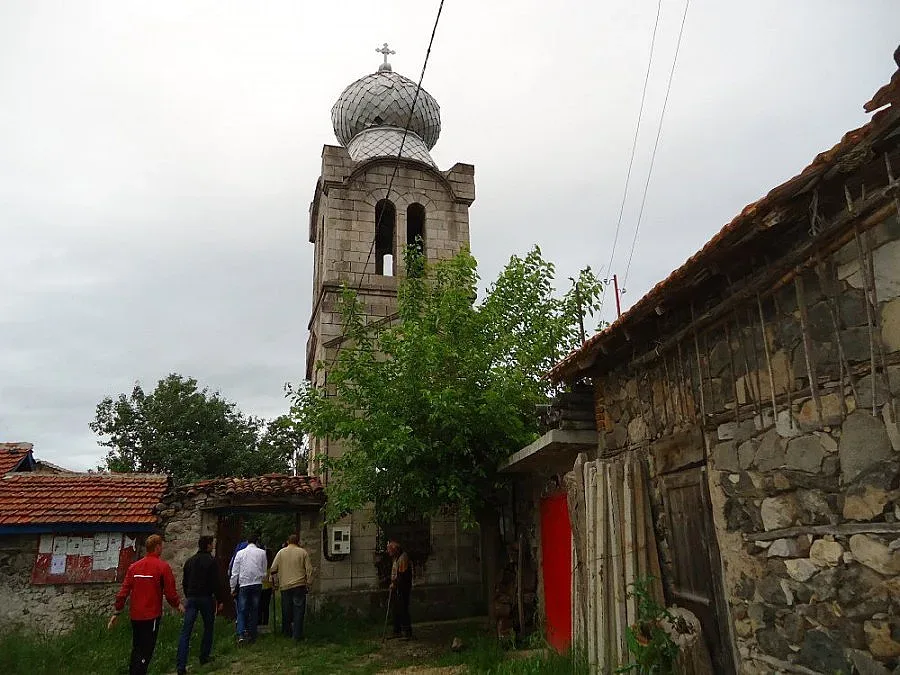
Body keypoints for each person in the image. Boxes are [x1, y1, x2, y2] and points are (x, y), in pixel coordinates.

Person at [108, 534, 184, 675]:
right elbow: (169, 591)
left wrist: (117, 611)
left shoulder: (134, 567)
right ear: (157, 547)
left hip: (136, 615)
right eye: (161, 545)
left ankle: (134, 671)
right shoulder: (162, 567)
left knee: (137, 647)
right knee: (147, 649)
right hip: (151, 615)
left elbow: (123, 591)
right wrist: (177, 604)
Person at [176, 536, 225, 675]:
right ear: (208, 546)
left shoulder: (190, 561)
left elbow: (185, 581)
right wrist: (220, 600)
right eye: (212, 544)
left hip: (191, 597)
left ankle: (181, 665)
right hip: (205, 598)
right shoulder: (211, 561)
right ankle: (204, 656)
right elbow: (216, 582)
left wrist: (188, 595)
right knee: (208, 627)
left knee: (186, 631)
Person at [269, 534, 314, 641]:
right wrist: (309, 582)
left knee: (286, 610)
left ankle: (286, 632)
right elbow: (309, 570)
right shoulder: (303, 552)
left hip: (285, 586)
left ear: (287, 542)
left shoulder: (281, 552)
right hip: (299, 585)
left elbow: (273, 568)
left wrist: (273, 582)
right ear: (298, 542)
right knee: (298, 610)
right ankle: (297, 635)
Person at [230, 532, 268, 644]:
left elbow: (235, 572)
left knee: (242, 610)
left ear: (247, 542)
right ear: (257, 542)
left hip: (244, 584)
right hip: (256, 583)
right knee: (254, 609)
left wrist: (232, 587)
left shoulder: (240, 553)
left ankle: (241, 633)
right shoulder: (262, 553)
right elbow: (264, 571)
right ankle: (252, 634)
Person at [387, 539, 413, 640]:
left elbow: (402, 575)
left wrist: (395, 584)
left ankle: (407, 632)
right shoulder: (396, 558)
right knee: (395, 610)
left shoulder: (403, 558)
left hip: (403, 587)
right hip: (396, 586)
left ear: (395, 550)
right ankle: (396, 631)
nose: (388, 553)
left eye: (390, 550)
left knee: (403, 609)